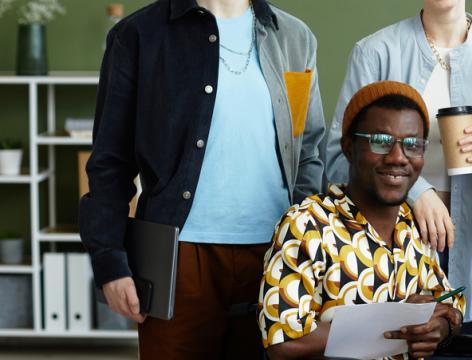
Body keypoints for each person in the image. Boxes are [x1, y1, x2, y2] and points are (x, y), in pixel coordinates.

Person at [79, 0, 325, 358]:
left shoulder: (294, 38)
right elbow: (109, 163)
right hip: (177, 259)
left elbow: (307, 152)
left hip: (277, 257)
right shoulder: (137, 36)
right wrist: (109, 262)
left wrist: (306, 247)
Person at [323, 0, 472, 331]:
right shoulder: (375, 52)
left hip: (469, 253)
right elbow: (338, 155)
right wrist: (418, 193)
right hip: (385, 248)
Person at [260, 81, 465, 360]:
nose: (397, 157)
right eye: (380, 142)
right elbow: (284, 341)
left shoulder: (413, 225)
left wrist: (437, 328)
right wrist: (393, 322)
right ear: (348, 147)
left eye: (412, 145)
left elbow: (450, 305)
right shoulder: (308, 224)